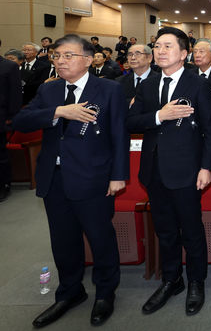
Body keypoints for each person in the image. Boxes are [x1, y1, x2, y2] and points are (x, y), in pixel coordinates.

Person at [13, 34, 129, 327]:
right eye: (56, 56)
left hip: (94, 177)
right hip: (54, 177)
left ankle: (105, 293)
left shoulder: (109, 89)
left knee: (100, 238)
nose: (60, 61)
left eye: (68, 55)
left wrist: (118, 176)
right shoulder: (49, 90)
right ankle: (69, 292)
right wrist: (58, 112)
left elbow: (119, 135)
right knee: (63, 241)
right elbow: (21, 121)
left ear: (88, 59)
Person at [127, 27, 211, 316]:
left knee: (191, 230)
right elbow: (131, 121)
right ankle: (171, 280)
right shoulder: (148, 84)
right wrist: (158, 116)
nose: (160, 51)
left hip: (186, 169)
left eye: (168, 46)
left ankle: (196, 282)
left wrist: (206, 166)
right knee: (164, 230)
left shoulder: (197, 83)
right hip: (153, 170)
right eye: (157, 46)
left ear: (184, 53)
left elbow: (208, 130)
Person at [0, 40, 22, 202]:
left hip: (1, 117)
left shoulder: (9, 66)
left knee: (0, 155)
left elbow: (15, 95)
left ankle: (3, 185)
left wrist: (11, 117)